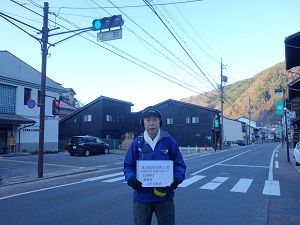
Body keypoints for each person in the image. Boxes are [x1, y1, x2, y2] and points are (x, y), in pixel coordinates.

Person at [124, 106, 186, 225]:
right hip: (141, 197)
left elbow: (179, 165)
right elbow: (128, 166)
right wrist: (131, 178)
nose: (151, 124)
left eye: (155, 120)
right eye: (148, 120)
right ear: (143, 123)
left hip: (165, 196)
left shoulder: (169, 142)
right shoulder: (137, 143)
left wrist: (177, 179)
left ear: (160, 122)